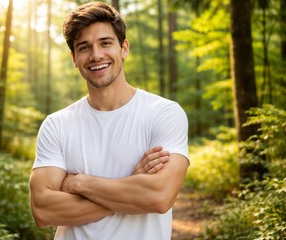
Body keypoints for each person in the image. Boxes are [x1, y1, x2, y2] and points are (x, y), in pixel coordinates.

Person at [29, 2, 189, 239]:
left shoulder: (163, 113)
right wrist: (132, 186)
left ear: (124, 48)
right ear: (74, 58)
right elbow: (43, 210)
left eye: (105, 43)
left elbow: (159, 197)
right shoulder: (57, 125)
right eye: (84, 47)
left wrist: (79, 184)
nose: (96, 55)